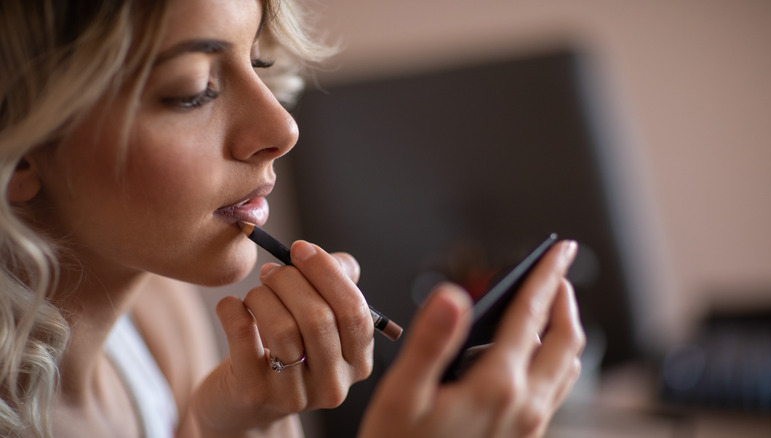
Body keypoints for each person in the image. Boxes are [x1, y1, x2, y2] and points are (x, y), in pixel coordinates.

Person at [0, 0, 585, 437]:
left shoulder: (156, 319)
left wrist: (230, 421)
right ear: (22, 147)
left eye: (257, 60)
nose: (283, 128)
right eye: (194, 90)